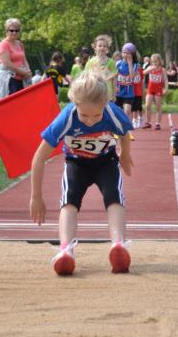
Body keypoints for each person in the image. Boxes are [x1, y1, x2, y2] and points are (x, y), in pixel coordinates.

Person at [30, 70, 134, 276]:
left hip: (106, 162)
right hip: (76, 164)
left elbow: (124, 133)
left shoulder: (113, 113)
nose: (90, 121)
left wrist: (124, 154)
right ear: (74, 104)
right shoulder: (66, 118)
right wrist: (36, 196)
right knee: (69, 202)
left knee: (114, 198)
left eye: (97, 115)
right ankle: (65, 250)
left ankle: (118, 245)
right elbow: (39, 157)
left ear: (105, 104)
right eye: (84, 115)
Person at [0, 18, 32, 95]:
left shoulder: (20, 44)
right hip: (9, 79)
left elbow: (24, 59)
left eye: (17, 30)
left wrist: (28, 71)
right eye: (12, 30)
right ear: (7, 31)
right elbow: (7, 64)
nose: (14, 32)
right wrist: (23, 72)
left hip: (22, 78)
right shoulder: (3, 44)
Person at [86, 34, 117, 101]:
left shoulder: (111, 62)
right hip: (95, 93)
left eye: (104, 46)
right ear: (95, 47)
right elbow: (86, 78)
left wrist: (114, 95)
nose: (102, 48)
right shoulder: (90, 62)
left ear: (107, 48)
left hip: (107, 94)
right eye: (99, 46)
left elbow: (114, 80)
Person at [142, 53, 168, 130]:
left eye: (156, 61)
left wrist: (166, 88)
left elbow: (165, 80)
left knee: (158, 107)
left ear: (159, 61)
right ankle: (148, 122)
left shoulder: (162, 70)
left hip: (158, 89)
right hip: (150, 89)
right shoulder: (150, 68)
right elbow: (143, 73)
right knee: (147, 105)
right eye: (153, 62)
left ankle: (158, 123)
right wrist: (150, 69)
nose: (154, 63)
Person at [115, 43, 139, 122]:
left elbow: (132, 77)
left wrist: (129, 63)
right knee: (117, 112)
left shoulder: (135, 64)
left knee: (127, 111)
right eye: (124, 52)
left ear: (132, 54)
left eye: (128, 53)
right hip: (118, 92)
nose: (125, 54)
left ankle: (127, 126)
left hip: (128, 93)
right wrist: (115, 86)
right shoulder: (118, 63)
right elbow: (114, 76)